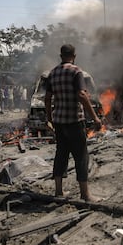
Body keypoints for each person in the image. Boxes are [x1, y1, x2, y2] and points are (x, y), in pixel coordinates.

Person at [45, 44, 102, 202]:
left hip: (59, 123)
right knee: (81, 156)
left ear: (60, 55)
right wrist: (95, 117)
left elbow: (48, 98)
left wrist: (50, 118)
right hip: (75, 121)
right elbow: (82, 96)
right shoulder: (76, 71)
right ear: (74, 55)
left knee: (60, 154)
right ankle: (85, 194)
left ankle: (58, 191)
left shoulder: (53, 73)